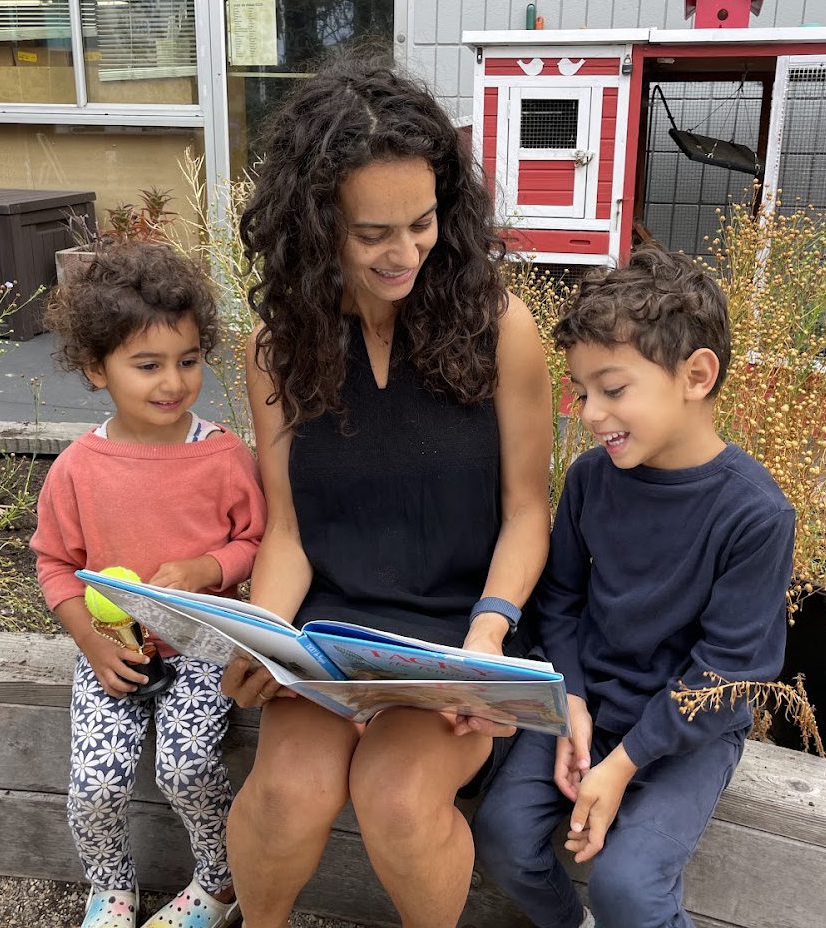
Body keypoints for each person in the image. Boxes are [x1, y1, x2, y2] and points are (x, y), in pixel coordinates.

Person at [218, 56, 553, 928]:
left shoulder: (500, 328)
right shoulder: (277, 345)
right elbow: (287, 530)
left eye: (423, 222)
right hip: (330, 635)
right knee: (287, 790)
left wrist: (488, 637)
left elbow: (527, 512)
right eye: (373, 234)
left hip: (457, 631)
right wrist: (264, 638)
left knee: (400, 797)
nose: (404, 253)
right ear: (315, 222)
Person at [473, 246, 796, 928]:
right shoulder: (592, 480)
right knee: (501, 836)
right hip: (585, 703)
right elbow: (558, 602)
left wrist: (622, 765)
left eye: (612, 390)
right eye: (580, 390)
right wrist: (574, 699)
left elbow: (730, 672)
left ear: (696, 375)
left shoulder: (755, 515)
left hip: (688, 735)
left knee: (628, 886)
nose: (589, 412)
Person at [31, 243, 266, 928]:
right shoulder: (78, 468)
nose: (173, 382)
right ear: (96, 368)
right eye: (147, 365)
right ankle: (111, 890)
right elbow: (53, 562)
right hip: (113, 648)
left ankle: (220, 885)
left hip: (203, 645)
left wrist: (207, 570)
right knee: (97, 784)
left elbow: (257, 540)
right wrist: (91, 641)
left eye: (188, 361)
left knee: (187, 768)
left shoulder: (222, 454)